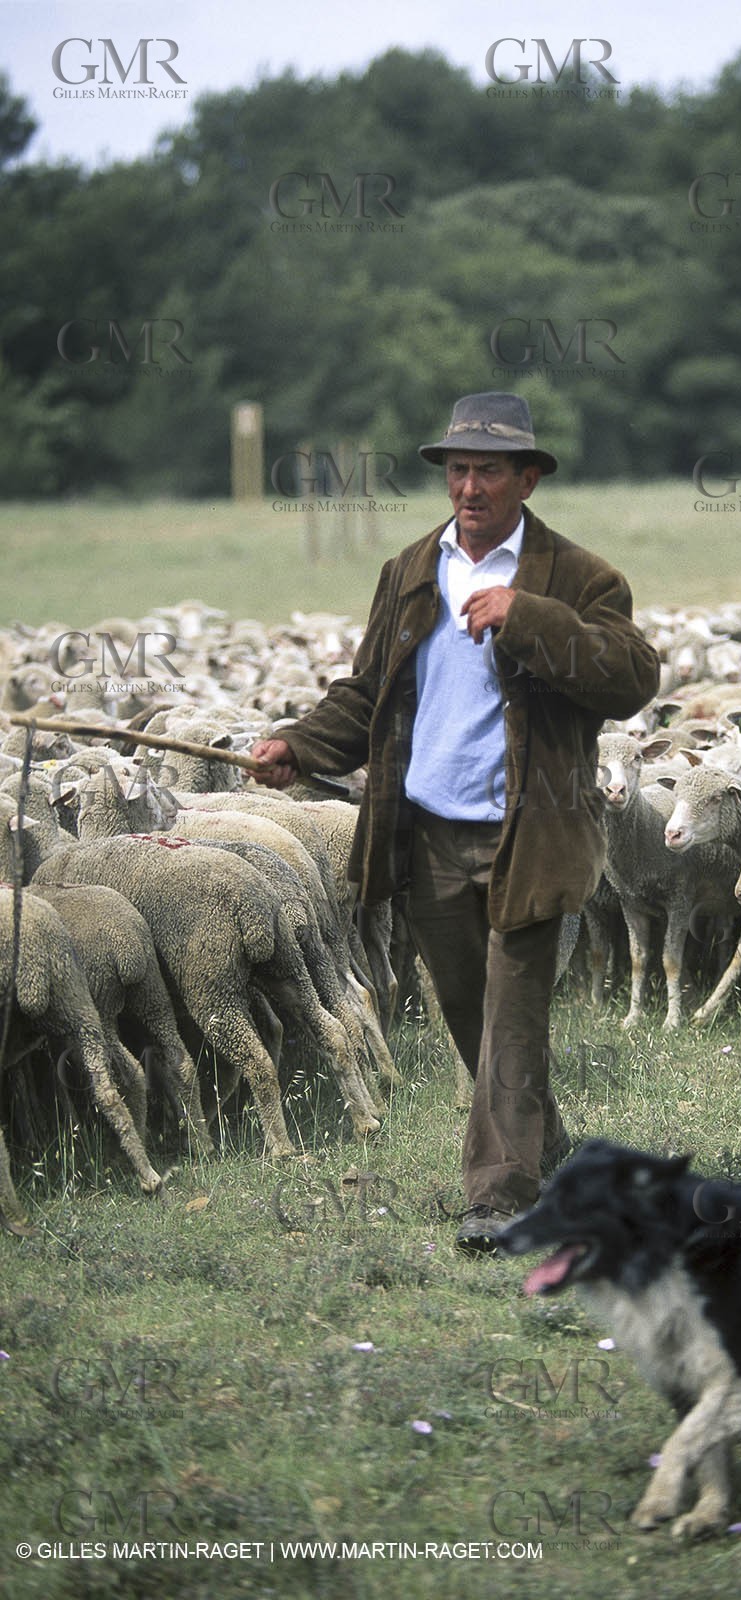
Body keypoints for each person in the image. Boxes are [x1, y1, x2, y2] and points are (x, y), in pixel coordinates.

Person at [251, 392, 660, 1253]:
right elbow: (367, 694)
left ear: (527, 478)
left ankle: (498, 1199)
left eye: (490, 470)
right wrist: (299, 745)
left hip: (531, 836)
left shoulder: (579, 577)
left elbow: (630, 678)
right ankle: (548, 1151)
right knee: (471, 1015)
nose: (470, 487)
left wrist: (529, 617)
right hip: (428, 829)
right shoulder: (408, 572)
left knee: (513, 1017)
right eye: (459, 470)